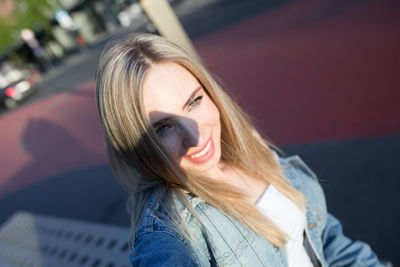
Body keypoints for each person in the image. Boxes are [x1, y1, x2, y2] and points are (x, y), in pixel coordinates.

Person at [95, 33, 385, 266]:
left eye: (194, 102)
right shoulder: (170, 235)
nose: (196, 137)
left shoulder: (250, 151)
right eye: (162, 128)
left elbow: (328, 240)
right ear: (135, 143)